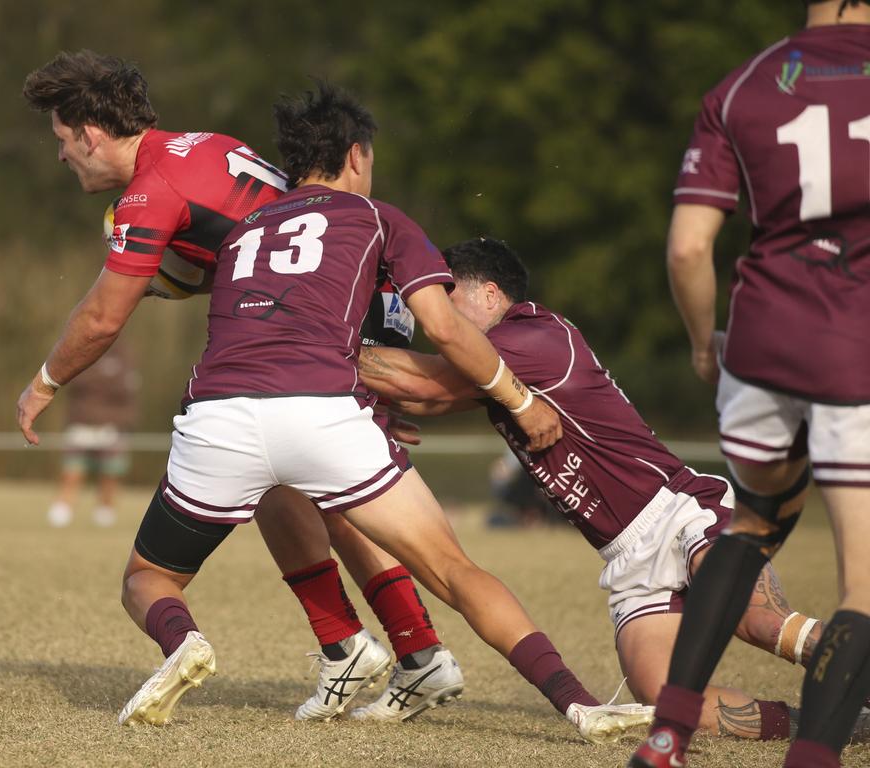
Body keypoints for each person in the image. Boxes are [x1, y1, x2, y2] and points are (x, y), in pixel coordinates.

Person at [110, 80, 652, 741]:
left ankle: (184, 640)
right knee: (455, 571)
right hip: (322, 414)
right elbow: (448, 332)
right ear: (358, 156)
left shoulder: (244, 229)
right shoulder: (378, 218)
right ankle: (580, 705)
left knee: (149, 577)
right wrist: (517, 397)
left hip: (219, 415)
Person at [16, 51, 460, 726]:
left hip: (334, 323)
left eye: (60, 141)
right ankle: (348, 646)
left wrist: (45, 382)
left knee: (336, 496)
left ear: (90, 132)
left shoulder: (150, 190)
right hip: (355, 304)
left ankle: (420, 653)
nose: (60, 158)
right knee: (282, 483)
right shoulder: (209, 147)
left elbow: (104, 317)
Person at [357, 236, 832, 742]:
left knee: (757, 620)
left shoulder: (532, 336)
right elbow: (425, 401)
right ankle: (836, 726)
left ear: (491, 295)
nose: (435, 319)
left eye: (445, 299)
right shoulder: (494, 372)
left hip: (681, 513)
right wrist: (375, 404)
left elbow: (422, 386)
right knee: (666, 698)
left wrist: (320, 343)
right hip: (626, 557)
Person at [627, 3, 870, 766]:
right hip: (854, 345)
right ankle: (815, 757)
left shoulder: (741, 87)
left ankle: (667, 735)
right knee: (861, 584)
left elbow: (688, 250)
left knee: (754, 524)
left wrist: (707, 345)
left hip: (761, 341)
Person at [46, 340, 139, 528]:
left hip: (113, 426)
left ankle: (105, 512)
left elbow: (126, 388)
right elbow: (75, 380)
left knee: (110, 474)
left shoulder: (124, 353)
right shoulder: (82, 346)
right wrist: (105, 379)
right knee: (72, 472)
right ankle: (63, 510)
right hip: (81, 423)